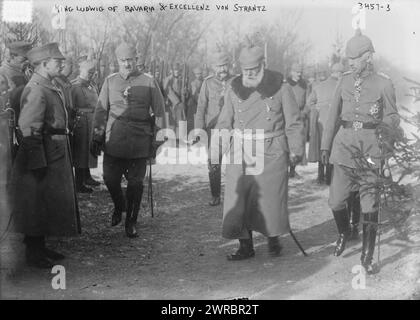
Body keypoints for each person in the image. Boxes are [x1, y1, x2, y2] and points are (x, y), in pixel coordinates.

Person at [211, 43, 304, 260]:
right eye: (246, 70)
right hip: (240, 150)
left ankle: (273, 239)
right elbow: (225, 122)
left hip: (271, 150)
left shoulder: (281, 87)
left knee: (269, 200)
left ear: (263, 65)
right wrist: (216, 151)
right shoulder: (234, 89)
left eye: (255, 69)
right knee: (238, 198)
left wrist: (296, 149)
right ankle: (246, 246)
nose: (250, 74)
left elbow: (294, 122)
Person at [320, 30, 400, 274]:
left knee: (369, 205)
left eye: (354, 58)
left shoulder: (384, 83)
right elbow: (332, 116)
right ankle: (345, 232)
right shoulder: (344, 81)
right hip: (343, 148)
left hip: (370, 150)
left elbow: (393, 116)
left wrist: (386, 137)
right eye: (348, 59)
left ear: (368, 56)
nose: (350, 63)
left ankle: (366, 256)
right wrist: (325, 146)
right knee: (336, 200)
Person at [10, 43, 81, 268]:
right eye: (57, 61)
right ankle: (33, 252)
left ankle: (39, 246)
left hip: (53, 152)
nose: (61, 64)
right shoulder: (37, 88)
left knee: (43, 203)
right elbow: (29, 128)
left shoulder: (49, 84)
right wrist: (37, 160)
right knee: (35, 203)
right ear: (43, 64)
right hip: (41, 154)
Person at [91, 43, 166, 238]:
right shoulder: (110, 81)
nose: (127, 64)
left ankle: (131, 221)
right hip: (114, 138)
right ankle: (119, 205)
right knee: (110, 178)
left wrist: (157, 140)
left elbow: (159, 111)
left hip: (139, 139)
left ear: (136, 59)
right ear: (117, 61)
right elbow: (101, 111)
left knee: (135, 183)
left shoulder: (149, 81)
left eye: (130, 60)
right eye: (123, 61)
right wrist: (97, 136)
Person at [195, 51, 234, 206]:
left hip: (233, 129)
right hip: (214, 129)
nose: (222, 69)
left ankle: (235, 195)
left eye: (224, 65)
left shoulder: (237, 82)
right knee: (214, 163)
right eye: (219, 66)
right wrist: (199, 129)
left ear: (229, 66)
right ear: (213, 67)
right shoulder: (208, 83)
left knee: (235, 164)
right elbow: (201, 107)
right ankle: (216, 195)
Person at [307, 63, 344, 184]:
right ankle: (329, 178)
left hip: (320, 122)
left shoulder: (319, 86)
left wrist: (318, 109)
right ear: (339, 73)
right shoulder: (341, 86)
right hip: (334, 122)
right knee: (331, 147)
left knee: (321, 147)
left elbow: (309, 103)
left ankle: (320, 176)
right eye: (342, 73)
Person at [71, 60, 100, 193]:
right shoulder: (75, 86)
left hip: (91, 120)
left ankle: (87, 177)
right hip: (82, 122)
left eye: (93, 72)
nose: (91, 75)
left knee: (89, 150)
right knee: (81, 152)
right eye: (89, 72)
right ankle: (79, 183)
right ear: (81, 70)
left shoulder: (91, 85)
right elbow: (71, 106)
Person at [286, 62, 308, 177]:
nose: (299, 74)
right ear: (292, 72)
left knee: (297, 144)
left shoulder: (304, 84)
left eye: (301, 72)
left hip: (299, 117)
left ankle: (292, 170)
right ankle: (284, 169)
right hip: (287, 118)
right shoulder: (285, 85)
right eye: (297, 72)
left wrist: (304, 113)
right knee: (287, 144)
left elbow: (308, 101)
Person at [186, 66, 203, 134]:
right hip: (194, 105)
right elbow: (194, 94)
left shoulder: (203, 81)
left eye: (200, 73)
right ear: (195, 75)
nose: (199, 75)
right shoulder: (193, 83)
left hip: (199, 103)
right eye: (197, 74)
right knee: (193, 122)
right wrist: (200, 103)